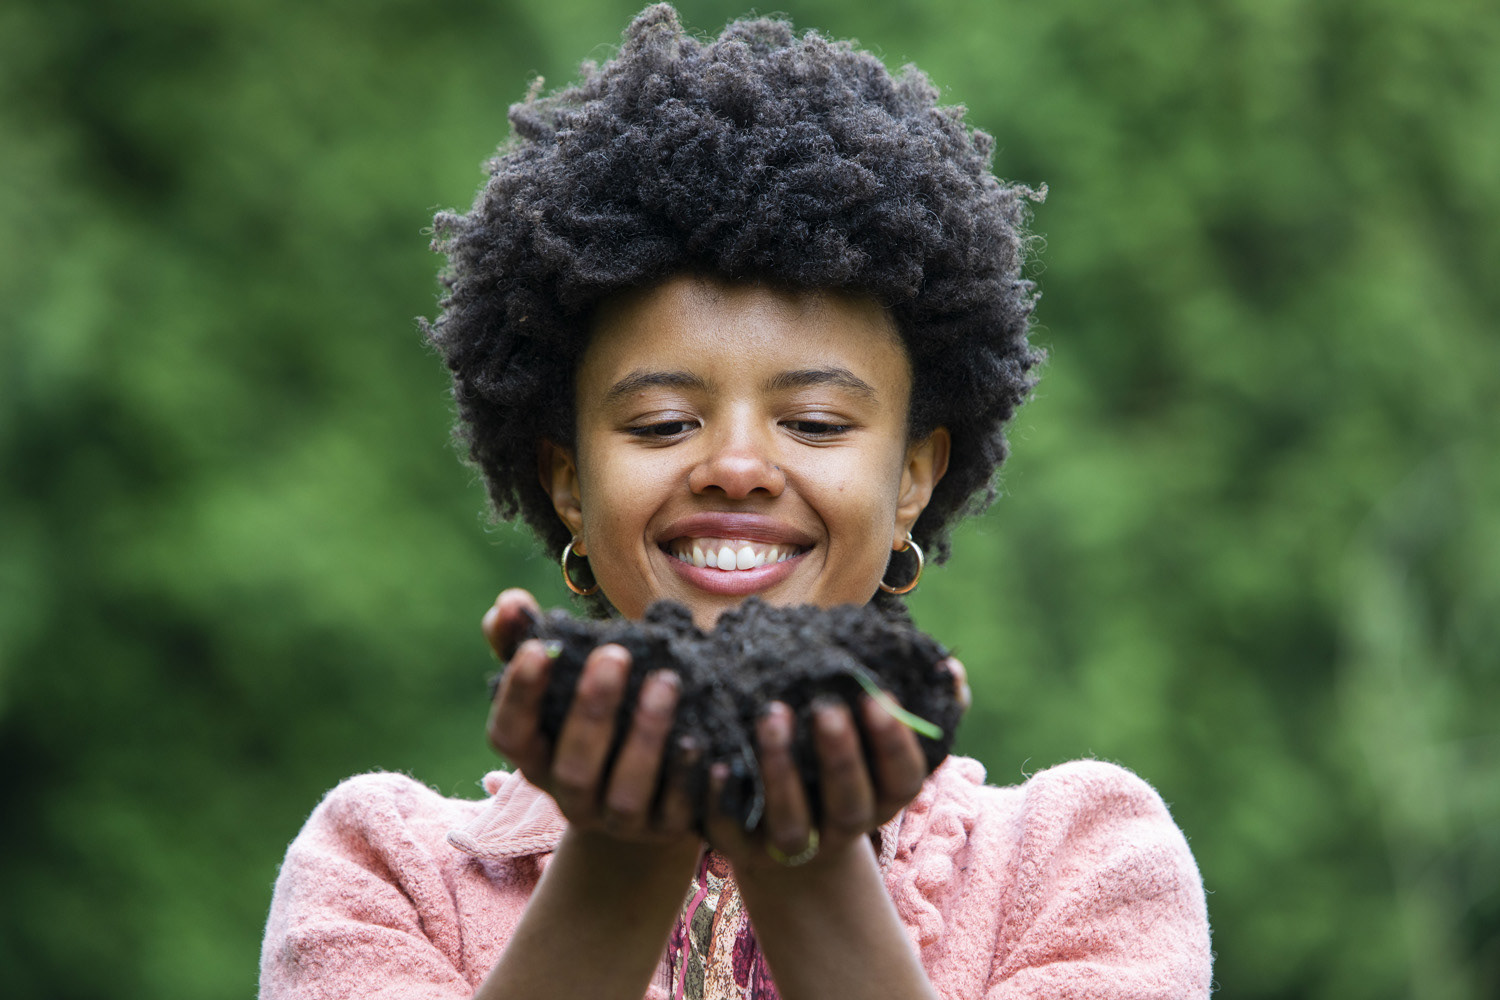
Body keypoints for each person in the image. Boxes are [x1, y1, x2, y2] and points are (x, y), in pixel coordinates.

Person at [259, 6, 1212, 998]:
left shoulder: (1081, 863)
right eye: (664, 422)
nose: (738, 466)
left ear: (913, 479)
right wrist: (621, 853)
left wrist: (807, 858)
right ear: (568, 482)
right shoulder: (385, 871)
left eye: (817, 423)